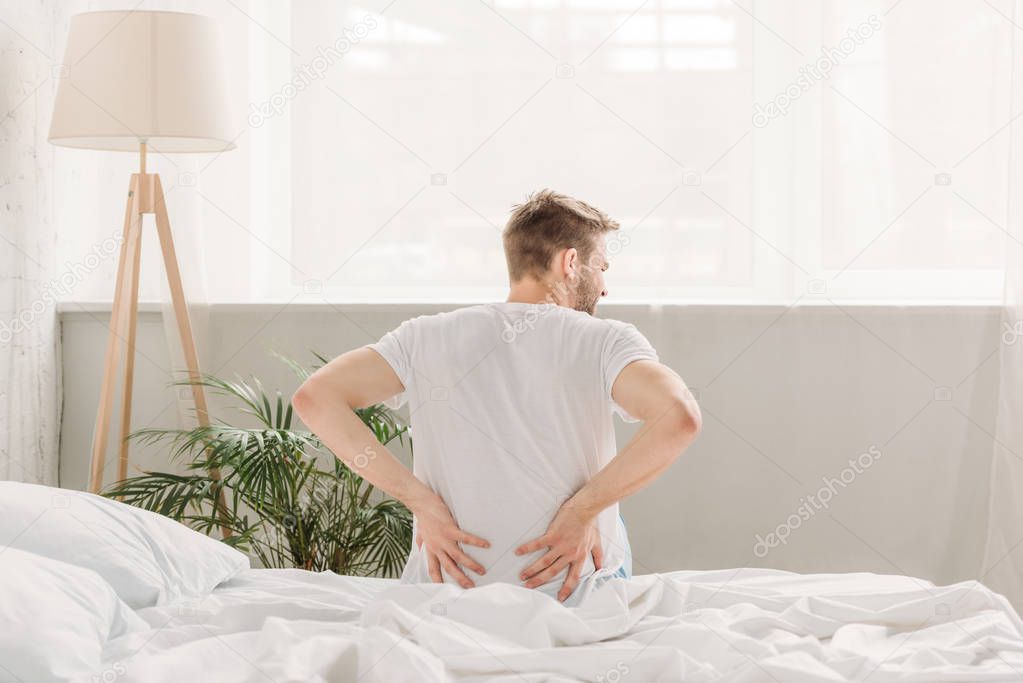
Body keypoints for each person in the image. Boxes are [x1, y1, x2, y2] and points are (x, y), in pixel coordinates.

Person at [293, 189, 701, 604]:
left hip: (446, 591)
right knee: (609, 511)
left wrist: (420, 502)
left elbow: (315, 398)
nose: (604, 288)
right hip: (571, 592)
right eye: (601, 267)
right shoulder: (605, 340)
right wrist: (581, 511)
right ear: (571, 262)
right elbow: (679, 417)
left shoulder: (426, 335)